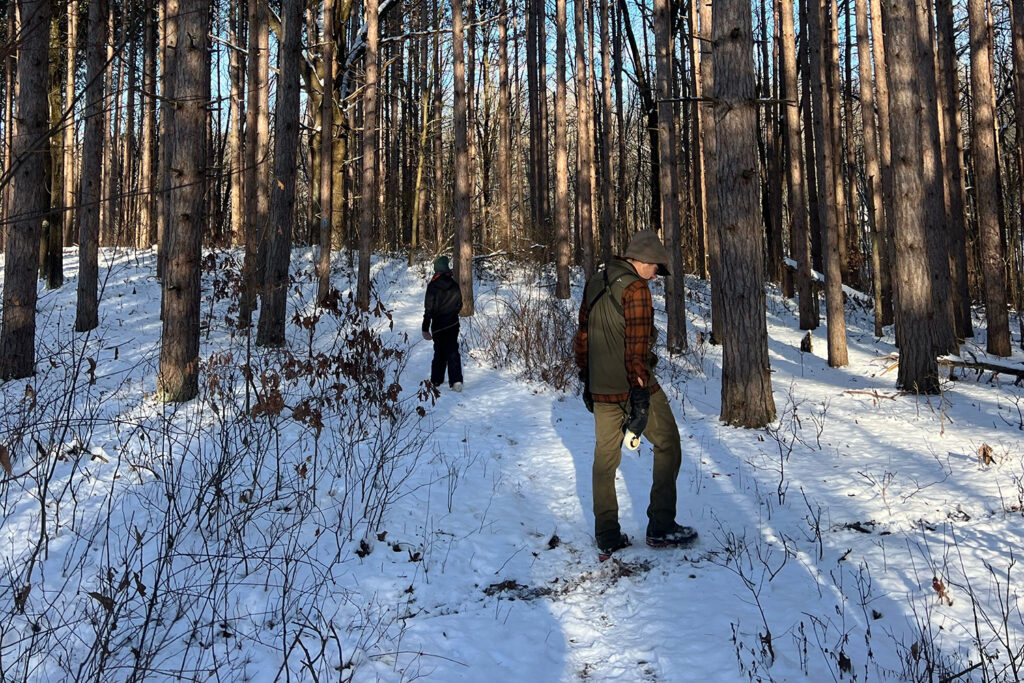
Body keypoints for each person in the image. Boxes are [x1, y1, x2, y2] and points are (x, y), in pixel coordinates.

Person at [573, 230, 698, 561]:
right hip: (633, 386)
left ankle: (607, 536)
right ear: (640, 261)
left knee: (604, 459)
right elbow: (636, 352)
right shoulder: (636, 289)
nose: (656, 274)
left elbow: (582, 334)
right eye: (655, 267)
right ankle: (661, 526)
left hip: (601, 387)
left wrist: (586, 377)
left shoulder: (596, 281)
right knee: (668, 442)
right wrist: (641, 398)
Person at [423, 256, 464, 392]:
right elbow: (459, 305)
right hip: (453, 324)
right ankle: (456, 381)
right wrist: (452, 313)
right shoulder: (454, 284)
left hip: (438, 326)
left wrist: (425, 328)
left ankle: (436, 379)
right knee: (452, 350)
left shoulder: (433, 286)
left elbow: (428, 309)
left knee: (439, 351)